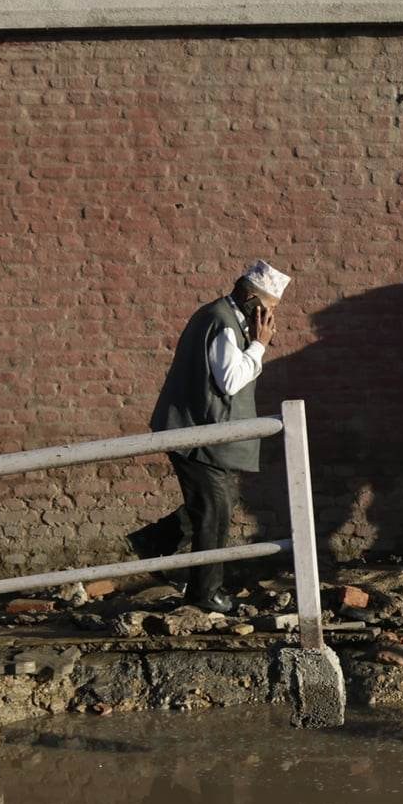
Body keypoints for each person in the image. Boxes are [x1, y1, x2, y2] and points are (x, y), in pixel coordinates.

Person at [127, 260, 287, 613]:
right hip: (195, 434)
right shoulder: (222, 322)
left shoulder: (224, 317)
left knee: (215, 503)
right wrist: (259, 346)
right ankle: (204, 594)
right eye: (268, 307)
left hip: (202, 432)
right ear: (249, 297)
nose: (269, 317)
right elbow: (229, 380)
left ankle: (153, 542)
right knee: (215, 510)